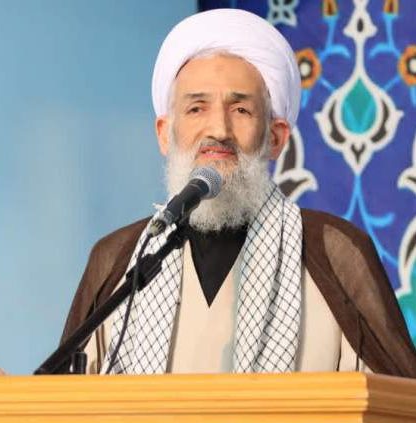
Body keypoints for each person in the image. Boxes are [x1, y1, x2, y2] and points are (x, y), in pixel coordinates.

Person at [60, 8, 416, 377]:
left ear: (275, 137)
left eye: (241, 109)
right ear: (165, 134)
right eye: (196, 108)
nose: (219, 129)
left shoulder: (334, 252)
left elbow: (398, 403)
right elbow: (65, 402)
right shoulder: (119, 260)